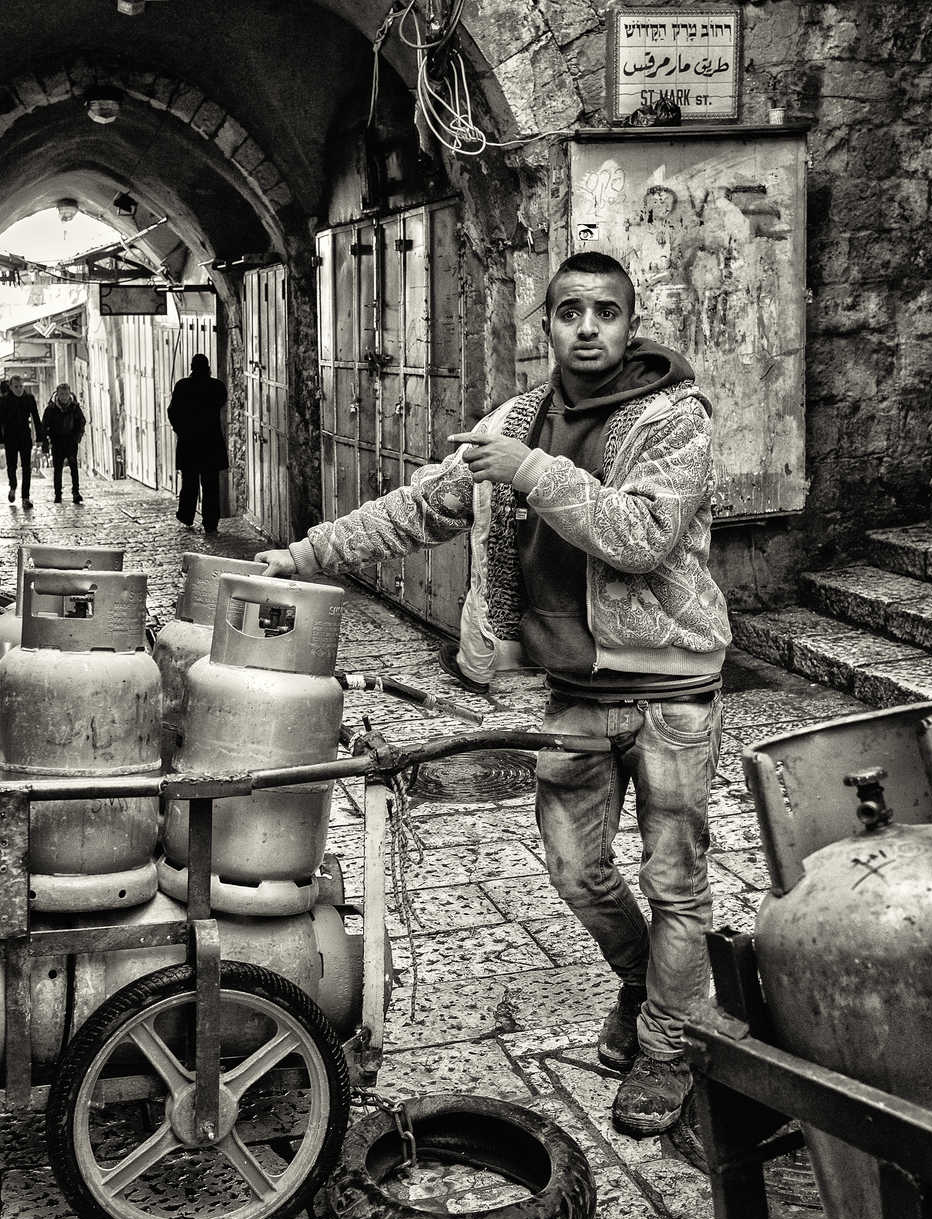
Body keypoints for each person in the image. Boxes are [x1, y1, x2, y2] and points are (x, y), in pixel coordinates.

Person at [254, 251, 729, 1142]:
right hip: (575, 691)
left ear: (632, 324)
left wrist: (530, 470)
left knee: (677, 882)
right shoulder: (517, 421)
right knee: (575, 870)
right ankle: (647, 985)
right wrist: (307, 556)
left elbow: (638, 536)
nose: (587, 328)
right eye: (570, 312)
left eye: (606, 313)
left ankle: (669, 1045)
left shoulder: (675, 420)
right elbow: (421, 506)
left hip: (672, 693)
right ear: (544, 324)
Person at [167, 353, 228, 537]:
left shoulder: (182, 386)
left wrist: (181, 430)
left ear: (192, 367)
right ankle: (210, 523)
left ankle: (186, 516)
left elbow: (172, 412)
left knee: (190, 483)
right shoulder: (216, 386)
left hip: (190, 444)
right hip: (211, 444)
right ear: (208, 367)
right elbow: (221, 402)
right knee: (211, 486)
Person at [0, 375, 41, 506]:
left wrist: (40, 438)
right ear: (10, 387)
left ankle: (25, 497)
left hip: (25, 436)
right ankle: (13, 487)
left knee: (27, 467)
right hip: (10, 437)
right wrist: (0, 440)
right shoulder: (4, 400)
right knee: (12, 465)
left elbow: (36, 418)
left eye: (21, 386)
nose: (19, 389)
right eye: (16, 387)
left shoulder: (29, 398)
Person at [41, 383, 87, 504]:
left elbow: (81, 422)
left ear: (69, 394)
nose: (64, 397)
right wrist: (46, 441)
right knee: (57, 469)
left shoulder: (74, 407)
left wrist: (77, 436)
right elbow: (44, 425)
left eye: (66, 394)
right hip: (57, 442)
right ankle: (58, 494)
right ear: (57, 394)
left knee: (73, 467)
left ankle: (76, 492)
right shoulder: (51, 409)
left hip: (71, 441)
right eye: (62, 394)